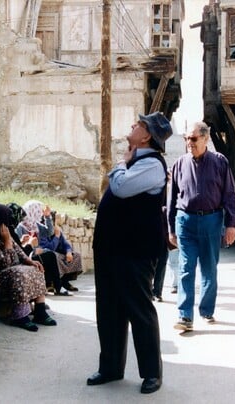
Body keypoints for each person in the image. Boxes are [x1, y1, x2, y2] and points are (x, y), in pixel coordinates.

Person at [88, 111, 171, 394]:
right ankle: (110, 367)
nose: (132, 126)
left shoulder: (152, 165)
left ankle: (151, 373)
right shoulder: (137, 161)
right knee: (109, 309)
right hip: (112, 249)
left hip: (134, 251)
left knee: (139, 310)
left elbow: (121, 188)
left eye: (138, 124)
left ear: (146, 135)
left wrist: (121, 166)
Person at [168, 121, 235, 331]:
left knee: (209, 269)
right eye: (187, 138)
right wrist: (171, 228)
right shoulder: (180, 164)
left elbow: (229, 195)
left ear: (205, 139)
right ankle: (185, 316)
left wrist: (231, 225)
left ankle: (206, 310)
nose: (189, 142)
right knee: (186, 269)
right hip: (185, 222)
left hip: (211, 221)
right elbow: (171, 199)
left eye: (193, 138)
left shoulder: (219, 162)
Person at [0, 203, 57, 332]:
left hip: (8, 273)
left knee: (36, 267)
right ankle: (19, 316)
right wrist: (7, 243)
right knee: (18, 272)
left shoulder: (2, 233)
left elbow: (18, 250)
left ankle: (40, 310)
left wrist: (29, 261)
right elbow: (6, 263)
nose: (7, 224)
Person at [16, 200, 83, 294]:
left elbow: (50, 232)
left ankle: (60, 285)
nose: (39, 214)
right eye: (38, 211)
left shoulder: (36, 225)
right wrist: (32, 247)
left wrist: (47, 217)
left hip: (39, 252)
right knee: (51, 255)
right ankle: (54, 285)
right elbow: (18, 247)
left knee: (62, 255)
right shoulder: (20, 228)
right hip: (28, 255)